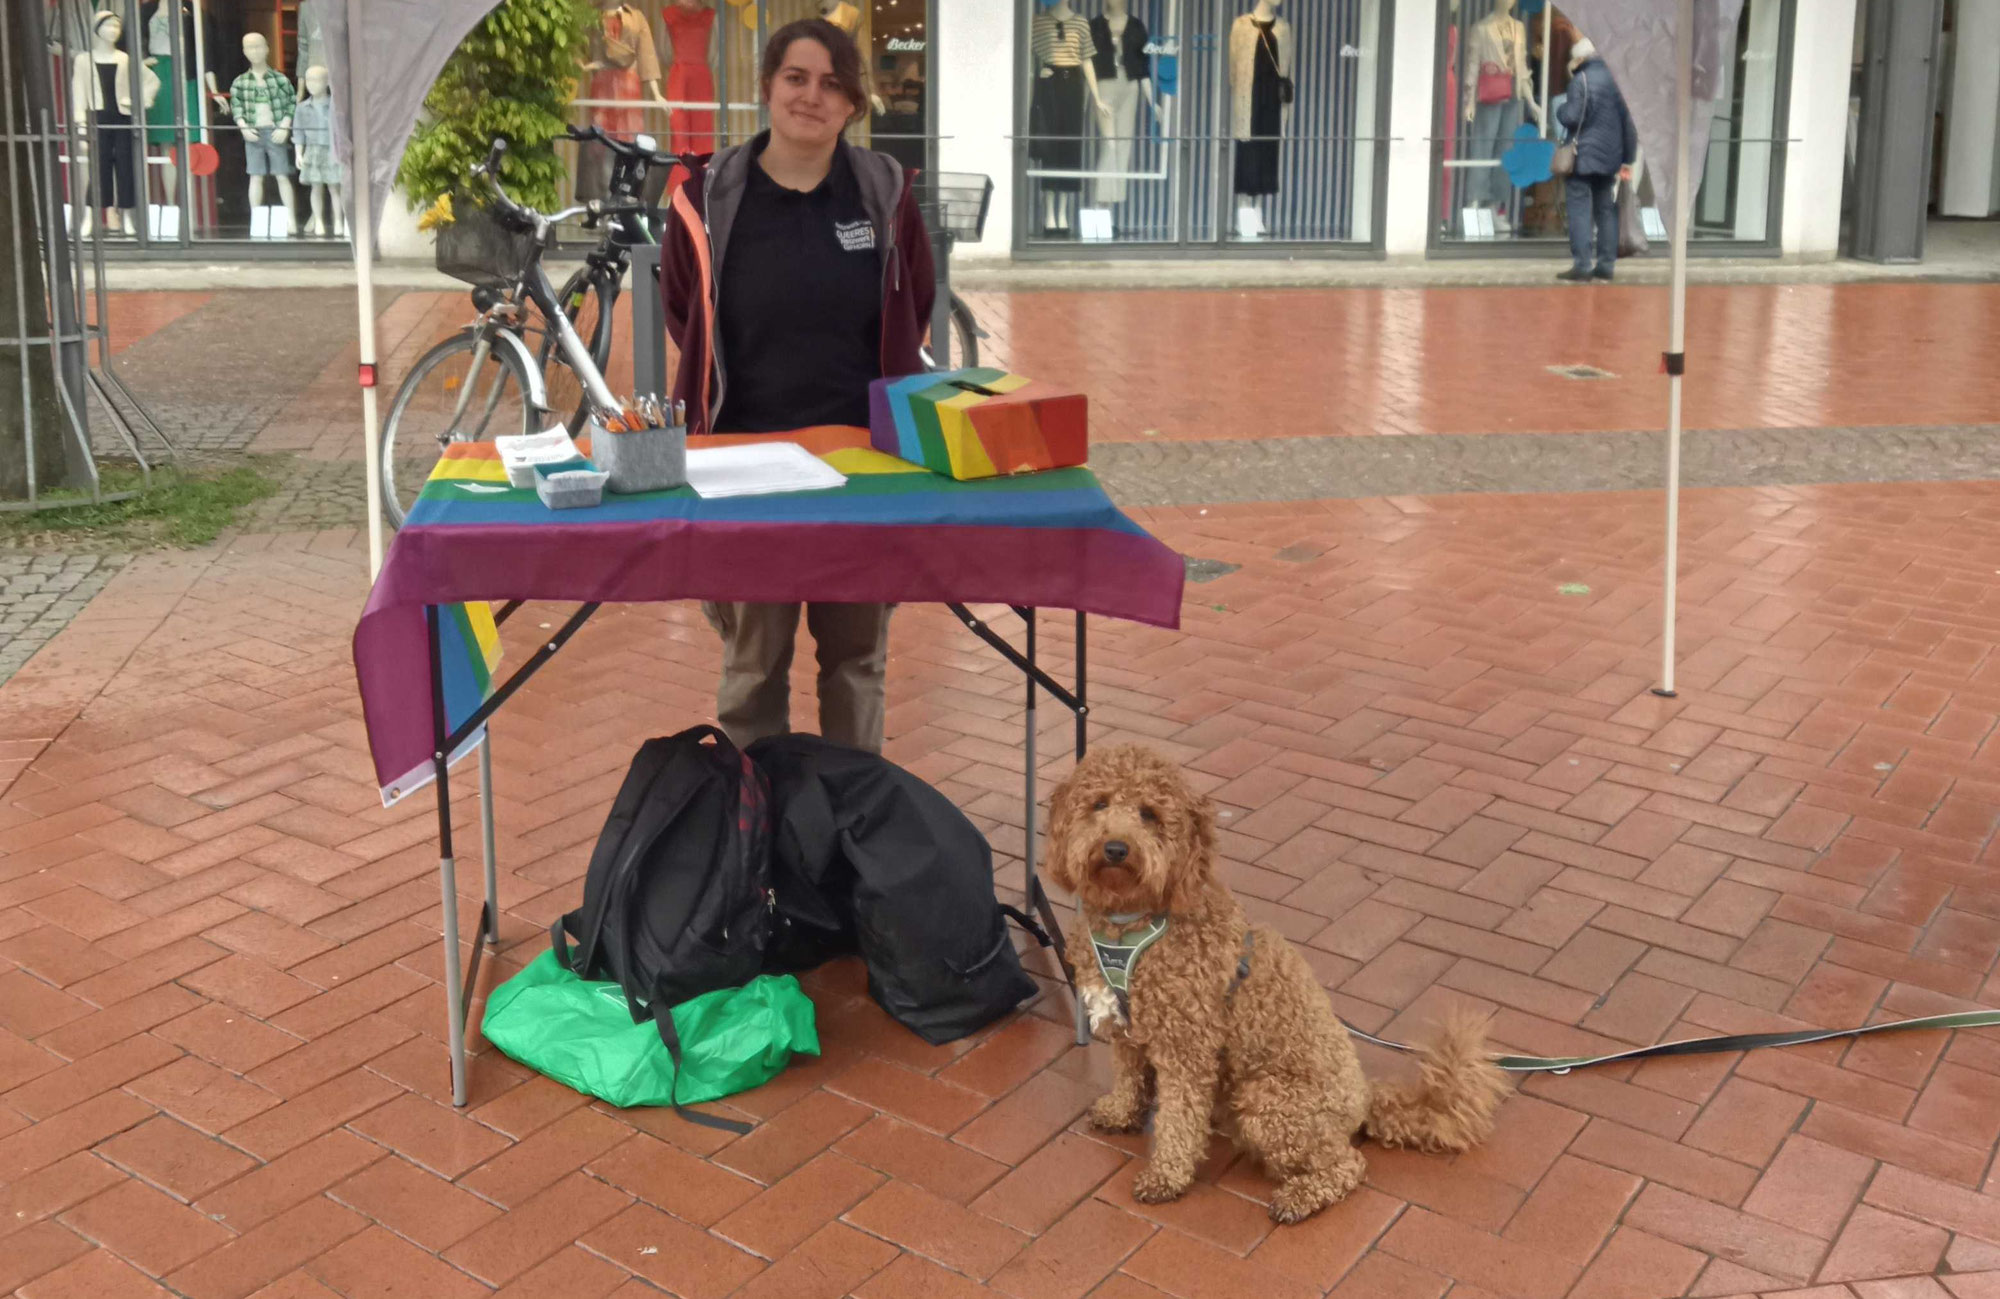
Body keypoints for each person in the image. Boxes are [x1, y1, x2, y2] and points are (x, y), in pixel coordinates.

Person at [660, 17, 936, 754]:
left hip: (862, 468)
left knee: (855, 665)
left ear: (853, 104)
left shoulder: (883, 194)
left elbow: (916, 304)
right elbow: (687, 312)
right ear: (768, 88)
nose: (812, 96)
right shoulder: (709, 197)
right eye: (797, 77)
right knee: (752, 672)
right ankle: (754, 835)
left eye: (832, 84)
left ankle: (851, 833)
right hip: (745, 471)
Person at [1554, 38, 1636, 282]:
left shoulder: (1582, 80)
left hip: (1582, 156)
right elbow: (1628, 124)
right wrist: (1627, 158)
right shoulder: (1618, 81)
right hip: (1610, 157)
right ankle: (1606, 265)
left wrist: (1560, 109)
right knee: (1605, 209)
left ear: (1580, 59)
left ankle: (1581, 264)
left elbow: (1571, 116)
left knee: (1579, 208)